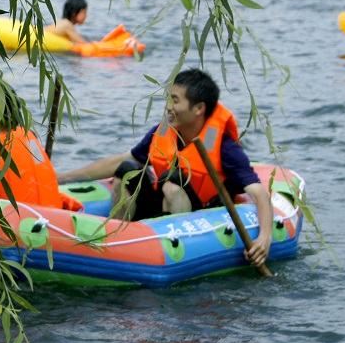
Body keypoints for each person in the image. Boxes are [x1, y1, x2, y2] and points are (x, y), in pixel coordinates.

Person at [55, 68, 273, 268]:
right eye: (168, 98)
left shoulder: (224, 147)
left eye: (175, 101)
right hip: (158, 209)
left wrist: (264, 237)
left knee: (172, 179)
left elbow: (259, 193)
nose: (168, 106)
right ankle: (116, 238)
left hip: (195, 220)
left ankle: (168, 254)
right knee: (126, 169)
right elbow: (120, 160)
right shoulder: (162, 133)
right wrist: (63, 177)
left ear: (198, 108)